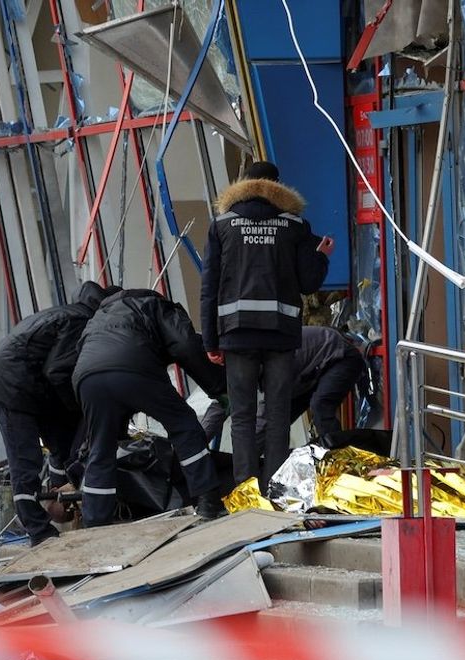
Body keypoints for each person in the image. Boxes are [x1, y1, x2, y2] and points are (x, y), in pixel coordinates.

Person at [200, 161, 332, 492]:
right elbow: (307, 283)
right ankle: (274, 487)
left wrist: (210, 342)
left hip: (236, 334)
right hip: (280, 335)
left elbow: (209, 287)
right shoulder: (295, 225)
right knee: (277, 415)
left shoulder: (222, 225)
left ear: (243, 183)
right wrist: (322, 256)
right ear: (278, 187)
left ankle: (245, 491)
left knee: (242, 416)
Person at [72, 288, 229, 526]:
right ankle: (209, 502)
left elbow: (84, 353)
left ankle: (95, 525)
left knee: (101, 450)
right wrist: (218, 386)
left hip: (87, 379)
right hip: (132, 366)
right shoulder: (153, 304)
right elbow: (186, 345)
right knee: (183, 424)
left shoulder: (98, 319)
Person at [0, 281, 121, 545]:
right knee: (26, 460)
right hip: (13, 386)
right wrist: (76, 405)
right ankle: (38, 530)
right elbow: (58, 371)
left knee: (64, 447)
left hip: (27, 385)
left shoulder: (66, 314)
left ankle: (65, 497)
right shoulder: (80, 322)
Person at [201, 325, 368, 447]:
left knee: (320, 406)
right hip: (309, 372)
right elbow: (221, 404)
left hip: (340, 357)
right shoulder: (239, 367)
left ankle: (339, 459)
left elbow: (270, 410)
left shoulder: (263, 361)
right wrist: (198, 446)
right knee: (270, 427)